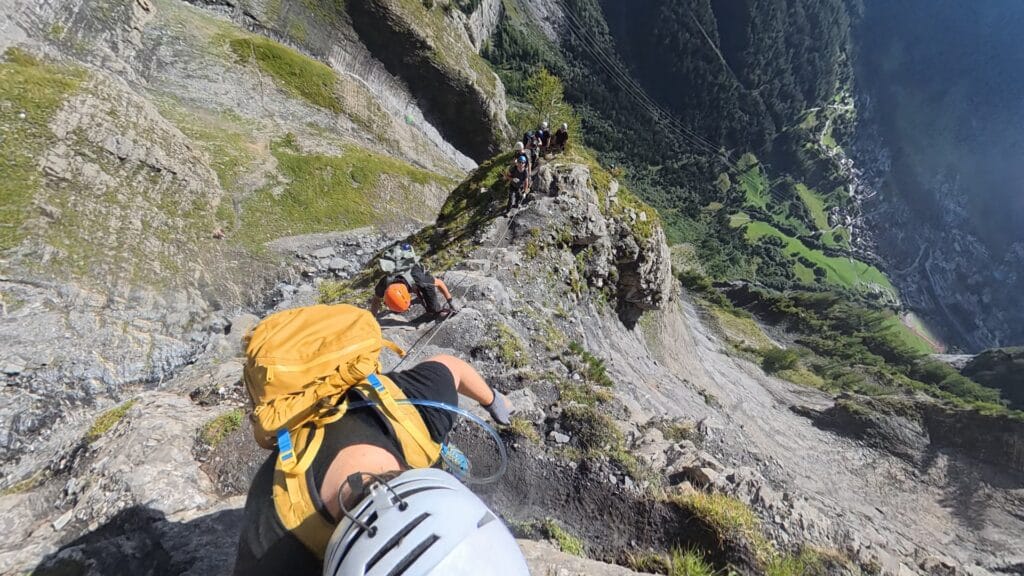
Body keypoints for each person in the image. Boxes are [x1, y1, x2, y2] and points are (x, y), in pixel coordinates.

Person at [233, 354, 518, 576]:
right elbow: (450, 367)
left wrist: (494, 400)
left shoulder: (416, 415)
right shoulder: (278, 534)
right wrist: (494, 401)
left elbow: (451, 367)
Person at [370, 243, 454, 317]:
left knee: (433, 310)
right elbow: (376, 299)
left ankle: (434, 310)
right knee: (398, 306)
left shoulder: (422, 281)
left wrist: (450, 301)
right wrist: (372, 318)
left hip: (416, 276)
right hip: (405, 277)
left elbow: (439, 283)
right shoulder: (385, 283)